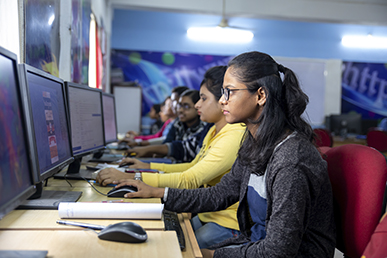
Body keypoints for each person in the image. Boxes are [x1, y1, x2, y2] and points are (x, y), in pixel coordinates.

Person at [112, 51, 336, 257]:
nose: (222, 100)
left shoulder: (291, 160)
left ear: (260, 95)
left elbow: (278, 250)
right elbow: (220, 194)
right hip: (257, 244)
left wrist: (212, 255)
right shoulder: (255, 142)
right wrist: (158, 193)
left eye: (229, 92)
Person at [97, 65, 246, 248]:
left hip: (227, 221)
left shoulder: (234, 134)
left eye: (203, 98)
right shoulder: (215, 130)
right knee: (168, 236)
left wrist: (133, 177)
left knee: (175, 248)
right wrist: (146, 166)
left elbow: (190, 179)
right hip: (210, 213)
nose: (197, 104)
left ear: (222, 100)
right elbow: (191, 166)